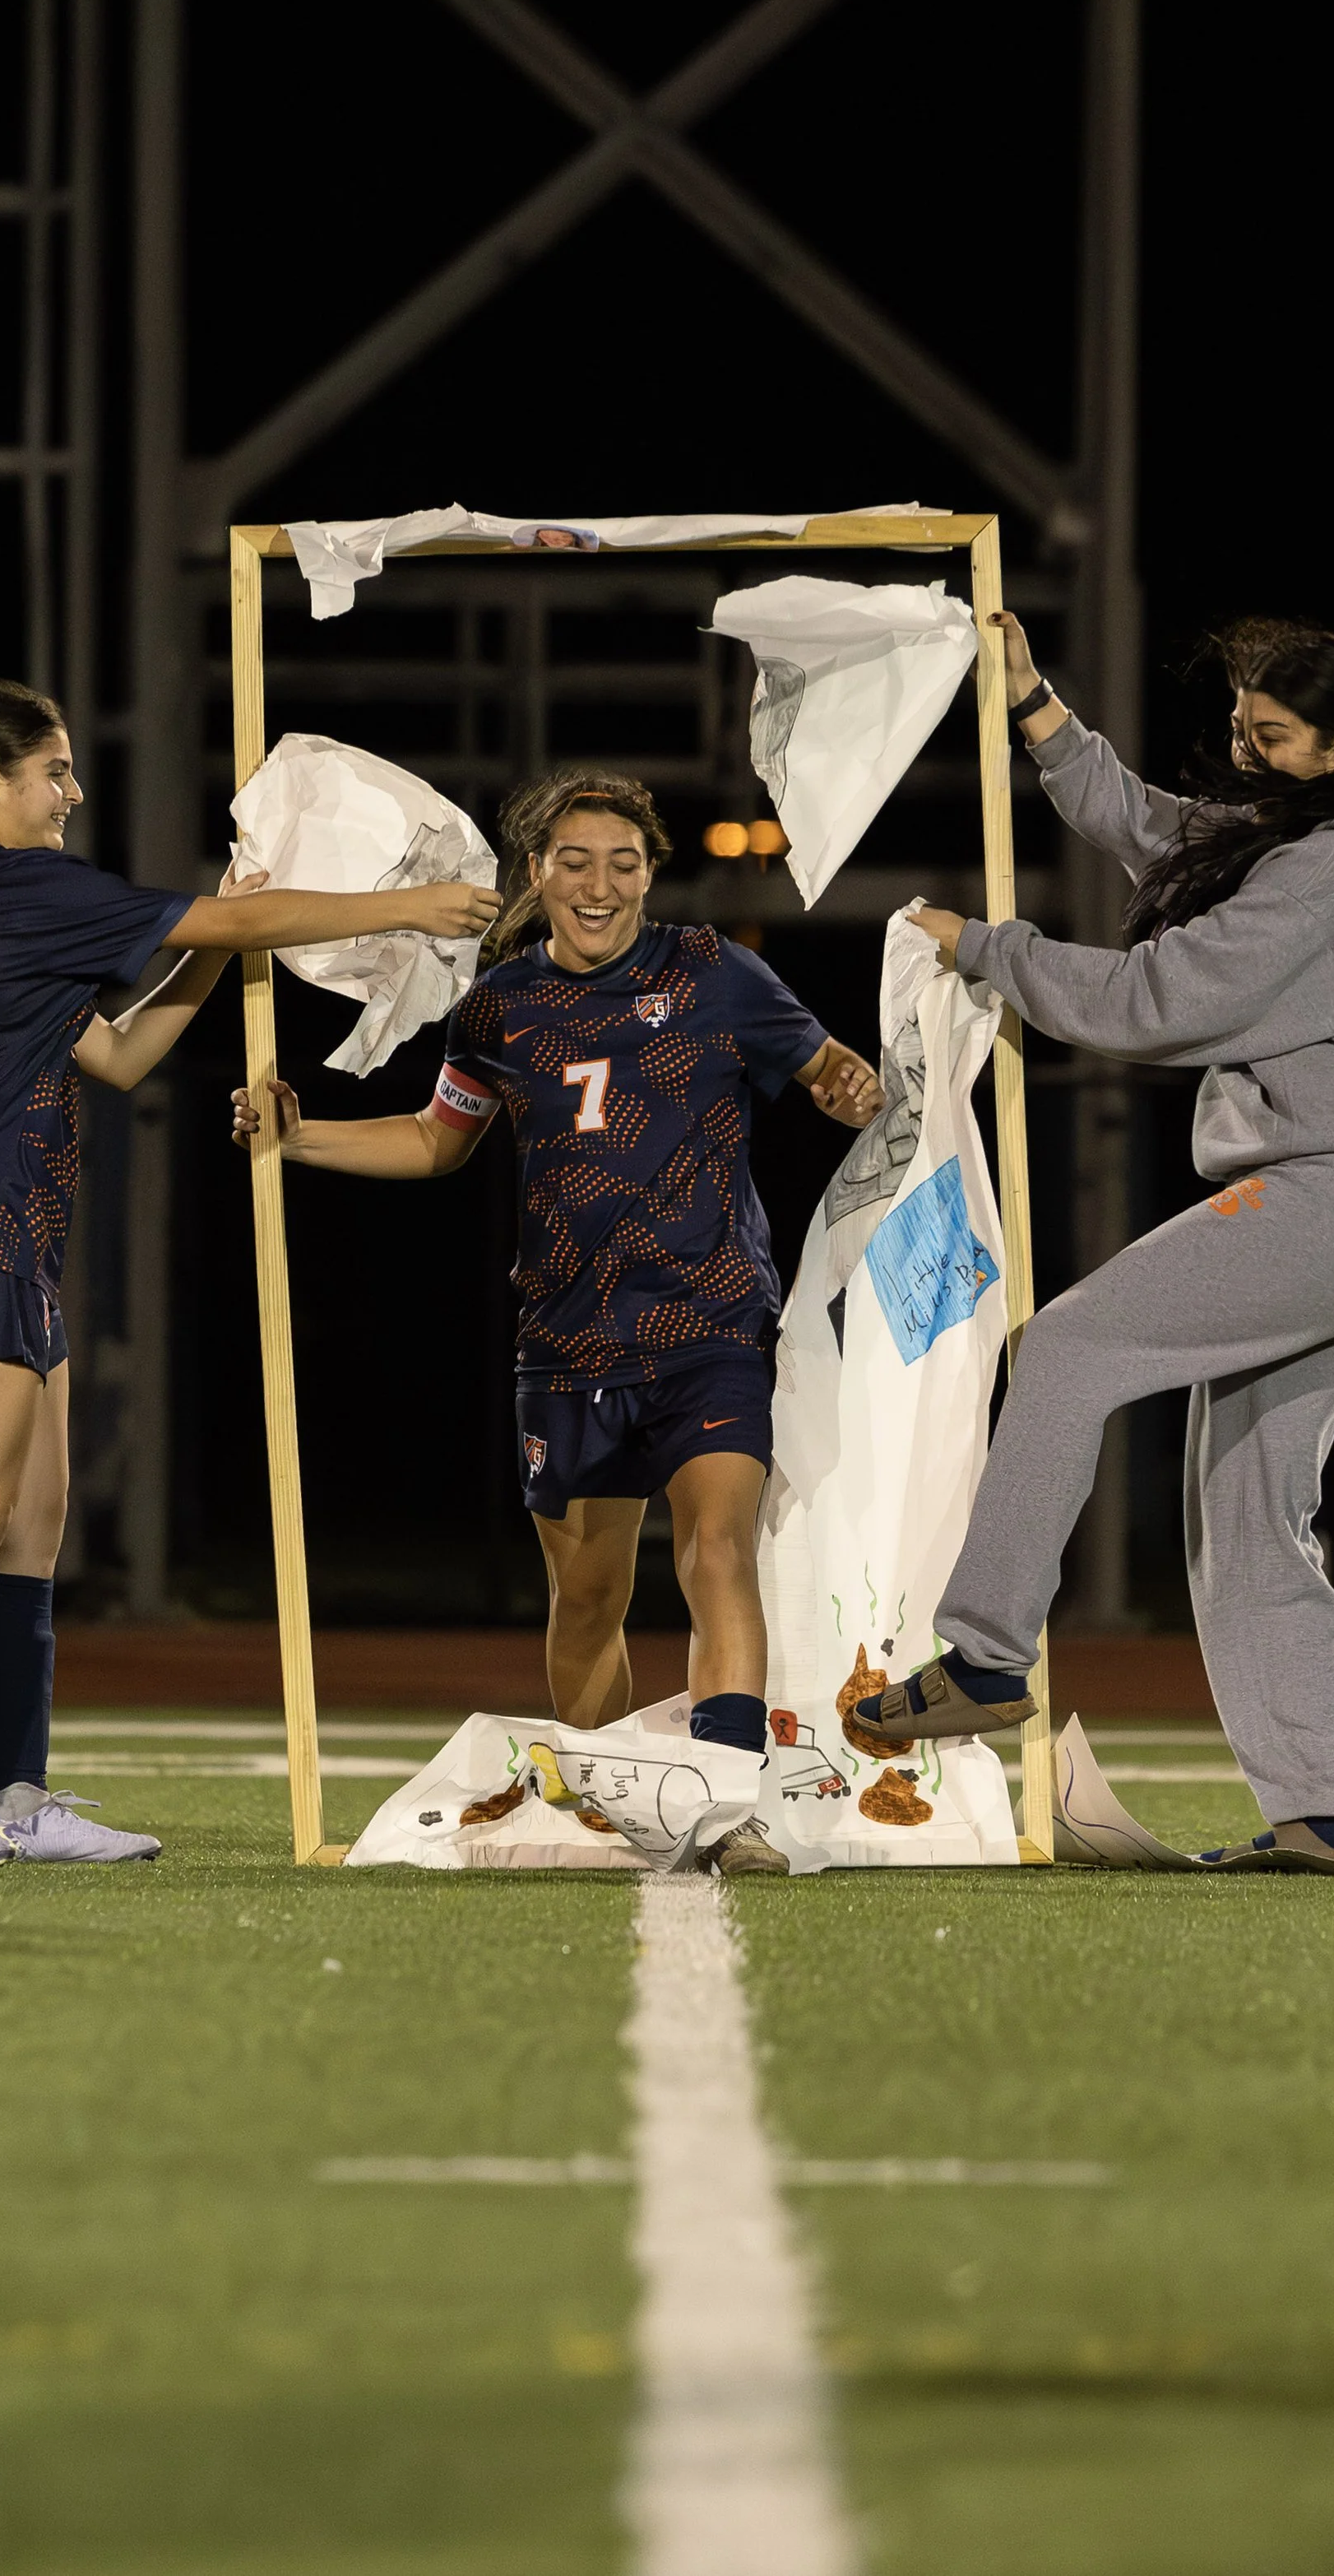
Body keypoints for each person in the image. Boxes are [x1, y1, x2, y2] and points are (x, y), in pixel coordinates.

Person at [855, 611, 1334, 1875]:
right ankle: (1329, 1810)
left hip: (1323, 1198)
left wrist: (986, 949)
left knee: (1072, 1344)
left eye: (1272, 735)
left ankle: (982, 1653)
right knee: (1252, 1521)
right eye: (1239, 728)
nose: (1244, 755)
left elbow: (1160, 999)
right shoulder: (1312, 828)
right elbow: (1155, 826)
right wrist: (1039, 712)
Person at [0, 677, 498, 1870]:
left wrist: (213, 941)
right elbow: (228, 926)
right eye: (55, 770)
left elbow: (124, 1052)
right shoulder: (23, 884)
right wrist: (413, 902)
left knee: (32, 1536)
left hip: (4, 1238)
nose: (73, 791)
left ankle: (17, 1799)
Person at [232, 768, 883, 1878]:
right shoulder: (499, 1006)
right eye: (574, 861)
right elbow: (440, 1141)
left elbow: (824, 1067)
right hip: (570, 1346)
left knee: (720, 1553)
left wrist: (845, 1081)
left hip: (708, 1322)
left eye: (623, 862)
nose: (599, 883)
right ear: (535, 872)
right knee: (589, 1601)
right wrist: (298, 1139)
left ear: (650, 873)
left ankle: (725, 1798)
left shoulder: (715, 973)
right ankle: (622, 1796)